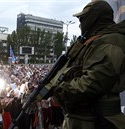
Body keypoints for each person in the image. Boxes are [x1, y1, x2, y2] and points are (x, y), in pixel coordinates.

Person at [37, 1, 125, 129]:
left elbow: (92, 83)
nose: (80, 24)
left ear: (94, 18)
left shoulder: (110, 42)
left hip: (98, 121)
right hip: (82, 119)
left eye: (83, 19)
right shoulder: (92, 41)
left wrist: (59, 90)